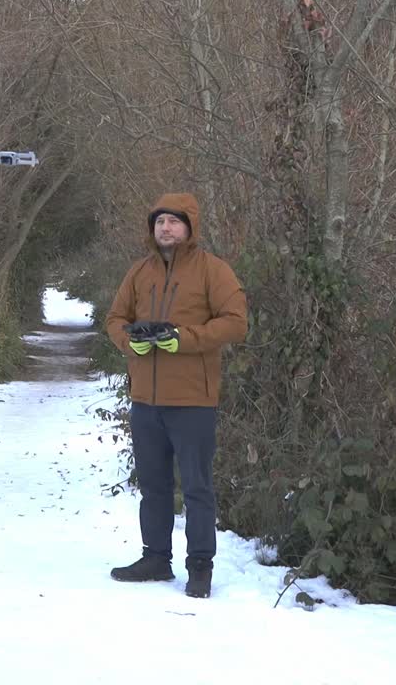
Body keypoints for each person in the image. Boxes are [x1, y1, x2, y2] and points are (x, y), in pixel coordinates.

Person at [104, 192, 248, 599]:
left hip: (193, 400)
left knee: (197, 486)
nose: (166, 228)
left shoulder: (212, 271)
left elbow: (236, 323)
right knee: (153, 484)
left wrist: (184, 339)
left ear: (190, 227)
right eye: (159, 221)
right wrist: (130, 343)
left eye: (174, 221)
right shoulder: (139, 272)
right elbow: (116, 318)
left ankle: (200, 566)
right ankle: (156, 558)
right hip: (146, 400)